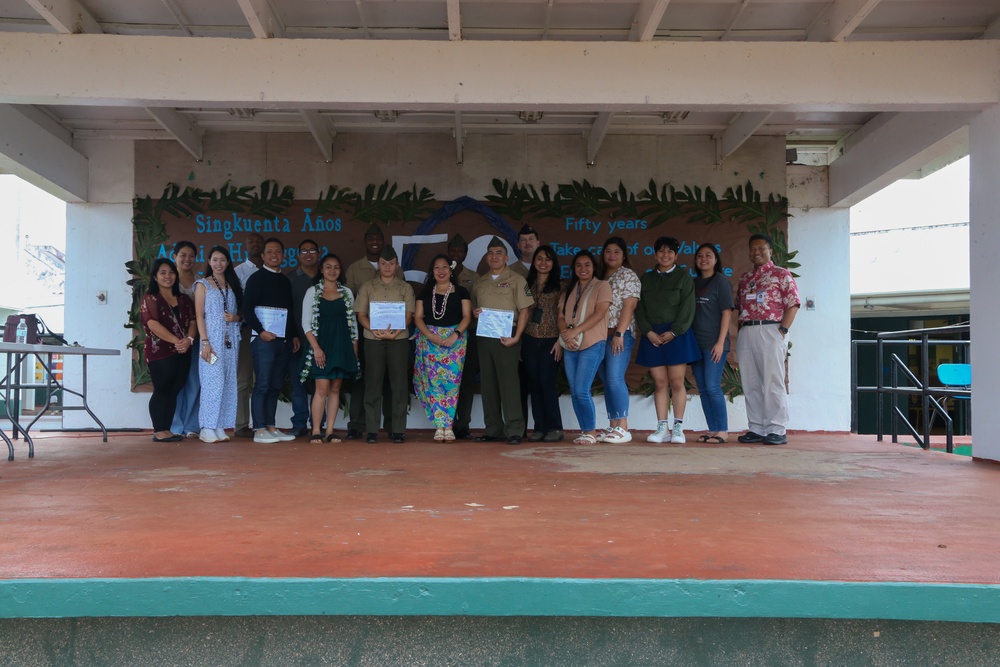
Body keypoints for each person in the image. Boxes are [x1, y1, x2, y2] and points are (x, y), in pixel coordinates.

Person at [635, 236, 701, 444]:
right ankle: (662, 427)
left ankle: (678, 428)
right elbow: (639, 308)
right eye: (661, 251)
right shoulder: (646, 278)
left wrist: (675, 332)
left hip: (676, 335)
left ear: (676, 255)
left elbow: (688, 308)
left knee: (676, 382)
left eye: (670, 252)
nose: (665, 255)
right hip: (652, 336)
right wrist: (648, 332)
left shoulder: (683, 277)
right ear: (655, 254)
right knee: (660, 382)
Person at [736, 234, 800, 446]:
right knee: (750, 382)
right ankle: (756, 427)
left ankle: (776, 428)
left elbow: (793, 303)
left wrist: (782, 330)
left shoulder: (781, 274)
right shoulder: (745, 278)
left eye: (761, 249)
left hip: (771, 329)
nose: (756, 252)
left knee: (772, 381)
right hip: (747, 331)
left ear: (770, 251)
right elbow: (739, 307)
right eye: (753, 249)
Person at [471, 236, 534, 445]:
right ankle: (493, 428)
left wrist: (517, 337)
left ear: (506, 257)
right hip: (484, 336)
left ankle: (514, 429)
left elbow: (525, 310)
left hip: (508, 335)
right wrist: (476, 312)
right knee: (488, 383)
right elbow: (473, 309)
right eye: (491, 253)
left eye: (499, 253)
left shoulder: (517, 280)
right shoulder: (480, 282)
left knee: (509, 383)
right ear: (486, 258)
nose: (494, 256)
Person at [344, 223, 402, 440]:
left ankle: (390, 425)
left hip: (392, 334)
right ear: (365, 240)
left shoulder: (399, 273)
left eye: (379, 238)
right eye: (371, 238)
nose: (375, 242)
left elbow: (400, 307)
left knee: (388, 380)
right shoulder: (354, 268)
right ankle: (358, 424)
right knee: (363, 380)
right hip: (363, 332)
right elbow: (349, 301)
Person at [354, 246, 415, 444]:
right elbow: (361, 314)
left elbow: (408, 315)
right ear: (378, 265)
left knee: (399, 385)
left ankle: (397, 430)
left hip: (398, 340)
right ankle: (372, 430)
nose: (387, 267)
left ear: (397, 265)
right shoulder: (367, 286)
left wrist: (397, 330)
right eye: (383, 263)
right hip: (373, 340)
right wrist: (373, 329)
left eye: (391, 263)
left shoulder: (405, 287)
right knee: (373, 383)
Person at [243, 237, 300, 444]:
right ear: (263, 256)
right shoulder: (256, 279)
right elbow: (247, 309)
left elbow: (289, 310)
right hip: (264, 340)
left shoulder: (284, 280)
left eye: (278, 251)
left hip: (283, 341)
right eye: (270, 251)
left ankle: (271, 426)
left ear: (283, 256)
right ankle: (258, 429)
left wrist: (293, 334)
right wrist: (260, 331)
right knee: (263, 385)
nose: (274, 255)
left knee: (275, 385)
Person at [413, 254, 472, 442]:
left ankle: (449, 426)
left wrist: (455, 335)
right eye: (437, 267)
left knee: (451, 385)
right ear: (432, 271)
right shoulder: (425, 292)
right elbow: (418, 318)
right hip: (431, 341)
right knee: (434, 384)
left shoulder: (462, 292)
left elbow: (467, 316)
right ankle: (440, 426)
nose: (441, 271)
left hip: (455, 343)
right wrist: (430, 335)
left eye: (444, 267)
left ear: (451, 270)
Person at [301, 254, 359, 443]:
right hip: (321, 344)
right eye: (328, 267)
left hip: (341, 345)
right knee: (322, 387)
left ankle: (330, 430)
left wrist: (354, 350)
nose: (332, 271)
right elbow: (306, 323)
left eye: (336, 267)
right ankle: (316, 430)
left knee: (335, 388)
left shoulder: (347, 293)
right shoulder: (313, 291)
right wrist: (316, 348)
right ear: (321, 270)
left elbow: (353, 326)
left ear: (340, 271)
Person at [557, 250, 612, 445]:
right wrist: (566, 334)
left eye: (587, 265)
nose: (583, 269)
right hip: (571, 344)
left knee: (582, 389)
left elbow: (599, 313)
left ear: (594, 267)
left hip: (592, 342)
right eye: (578, 265)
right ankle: (585, 431)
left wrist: (575, 331)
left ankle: (591, 431)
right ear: (573, 268)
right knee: (574, 390)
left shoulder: (602, 286)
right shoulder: (569, 289)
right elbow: (561, 317)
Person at [139, 258, 197, 442]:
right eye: (162, 272)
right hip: (160, 352)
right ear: (155, 277)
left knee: (174, 390)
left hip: (183, 351)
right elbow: (152, 324)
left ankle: (167, 429)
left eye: (171, 272)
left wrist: (188, 340)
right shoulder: (151, 298)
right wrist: (177, 341)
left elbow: (193, 322)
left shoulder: (184, 299)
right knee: (162, 389)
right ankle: (159, 430)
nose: (167, 276)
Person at [194, 246, 243, 443]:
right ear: (209, 261)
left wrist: (236, 317)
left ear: (228, 262)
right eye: (215, 259)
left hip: (230, 338)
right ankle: (207, 426)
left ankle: (221, 424)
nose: (218, 263)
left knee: (228, 381)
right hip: (211, 340)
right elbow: (199, 315)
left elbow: (241, 313)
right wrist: (205, 341)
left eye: (222, 260)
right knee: (212, 382)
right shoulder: (202, 284)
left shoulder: (233, 284)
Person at [595, 236, 641, 444]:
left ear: (624, 255)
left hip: (618, 334)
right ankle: (613, 425)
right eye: (608, 251)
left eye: (616, 252)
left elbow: (629, 307)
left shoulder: (628, 276)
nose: (611, 255)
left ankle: (623, 426)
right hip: (599, 335)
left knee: (614, 377)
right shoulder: (600, 277)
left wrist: (620, 334)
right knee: (607, 380)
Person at [691, 243, 735, 444]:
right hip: (696, 344)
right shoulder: (693, 282)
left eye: (708, 255)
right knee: (702, 387)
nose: (704, 259)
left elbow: (727, 312)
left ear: (716, 260)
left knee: (712, 385)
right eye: (700, 255)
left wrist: (720, 342)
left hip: (714, 344)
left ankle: (723, 430)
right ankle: (713, 429)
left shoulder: (721, 282)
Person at [522, 245, 564, 442]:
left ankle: (555, 427)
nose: (543, 262)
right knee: (534, 383)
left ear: (553, 263)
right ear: (534, 261)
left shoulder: (561, 286)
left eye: (548, 259)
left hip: (551, 340)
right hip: (529, 338)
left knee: (546, 382)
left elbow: (565, 316)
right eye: (539, 258)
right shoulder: (526, 284)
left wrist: (561, 341)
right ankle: (539, 428)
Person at [286, 238, 321, 438]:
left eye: (312, 250)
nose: (308, 254)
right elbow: (287, 310)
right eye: (304, 251)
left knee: (320, 383)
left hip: (321, 341)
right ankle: (299, 423)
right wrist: (291, 335)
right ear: (298, 256)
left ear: (318, 254)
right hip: (297, 340)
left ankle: (320, 422)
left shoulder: (326, 278)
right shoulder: (290, 279)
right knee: (298, 382)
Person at [448, 233, 480, 439]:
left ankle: (464, 423)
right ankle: (447, 422)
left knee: (466, 380)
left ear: (466, 254)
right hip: (444, 336)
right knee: (447, 380)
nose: (457, 253)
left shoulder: (474, 277)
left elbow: (477, 305)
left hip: (468, 334)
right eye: (453, 250)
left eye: (461, 250)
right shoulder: (440, 273)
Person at [233, 232, 264, 437]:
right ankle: (241, 425)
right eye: (251, 242)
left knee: (263, 380)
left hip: (269, 332)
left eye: (258, 242)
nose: (254, 244)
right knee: (243, 379)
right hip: (246, 331)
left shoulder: (273, 270)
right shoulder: (238, 272)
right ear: (245, 246)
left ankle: (262, 424)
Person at [170, 241, 201, 439]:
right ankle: (174, 425)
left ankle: (191, 425)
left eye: (191, 255)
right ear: (175, 256)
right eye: (183, 255)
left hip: (196, 339)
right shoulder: (168, 280)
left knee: (195, 382)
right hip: (173, 341)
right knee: (175, 382)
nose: (187, 259)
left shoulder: (201, 282)